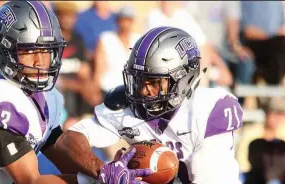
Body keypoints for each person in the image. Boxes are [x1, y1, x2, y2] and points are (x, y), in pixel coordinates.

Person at [0, 2, 149, 184]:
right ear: (5, 51)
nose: (41, 62)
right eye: (30, 51)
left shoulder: (47, 98)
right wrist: (98, 180)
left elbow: (61, 152)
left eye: (46, 51)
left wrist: (103, 170)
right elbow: (30, 179)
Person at [55, 27, 243, 184]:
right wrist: (102, 171)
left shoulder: (209, 109)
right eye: (139, 80)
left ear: (184, 80)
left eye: (154, 82)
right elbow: (68, 141)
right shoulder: (126, 105)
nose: (144, 91)